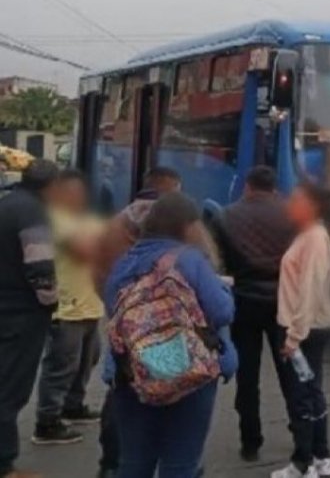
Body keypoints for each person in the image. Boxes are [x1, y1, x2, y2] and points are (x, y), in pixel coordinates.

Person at [103, 193, 236, 478]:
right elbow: (222, 312)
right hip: (188, 370)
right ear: (189, 226)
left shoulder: (123, 263)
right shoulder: (190, 258)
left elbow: (114, 312)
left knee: (134, 463)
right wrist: (223, 289)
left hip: (133, 372)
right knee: (180, 463)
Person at [212, 166, 296, 461]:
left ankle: (251, 441)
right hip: (283, 301)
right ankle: (300, 433)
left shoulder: (225, 216)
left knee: (247, 377)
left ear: (247, 186)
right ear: (275, 188)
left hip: (244, 300)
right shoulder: (291, 214)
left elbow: (219, 262)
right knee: (291, 370)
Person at [272, 183, 330, 478]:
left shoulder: (314, 238)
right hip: (310, 326)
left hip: (304, 329)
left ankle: (303, 463)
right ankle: (321, 455)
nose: (290, 204)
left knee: (301, 396)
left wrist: (293, 337)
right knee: (312, 391)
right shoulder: (312, 234)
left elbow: (309, 289)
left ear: (312, 205)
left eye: (296, 200)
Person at [33, 170, 106, 447]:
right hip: (67, 306)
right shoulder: (52, 220)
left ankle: (73, 405)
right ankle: (46, 421)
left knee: (89, 358)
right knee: (62, 364)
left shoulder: (79, 219)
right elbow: (86, 249)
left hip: (89, 304)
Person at [0, 160, 60, 478]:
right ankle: (4, 463)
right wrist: (52, 303)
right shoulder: (34, 213)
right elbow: (41, 271)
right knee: (11, 388)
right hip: (21, 314)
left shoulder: (8, 203)